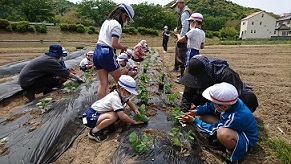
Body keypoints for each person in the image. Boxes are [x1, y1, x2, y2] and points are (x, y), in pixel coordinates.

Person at [179, 82, 258, 164]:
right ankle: (221, 140)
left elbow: (213, 129)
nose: (213, 104)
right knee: (204, 117)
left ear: (224, 106)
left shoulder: (236, 116)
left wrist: (194, 121)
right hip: (233, 127)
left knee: (222, 133)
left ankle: (231, 156)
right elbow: (210, 107)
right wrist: (197, 111)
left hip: (246, 138)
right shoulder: (230, 103)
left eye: (215, 103)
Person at [179, 55, 259, 113]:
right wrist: (183, 111)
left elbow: (234, 100)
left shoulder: (227, 75)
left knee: (249, 99)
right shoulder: (195, 74)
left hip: (229, 100)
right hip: (214, 100)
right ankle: (212, 112)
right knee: (195, 98)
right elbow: (187, 95)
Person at [82, 75, 144, 142]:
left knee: (117, 113)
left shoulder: (120, 94)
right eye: (129, 92)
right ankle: (93, 132)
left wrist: (135, 110)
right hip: (88, 117)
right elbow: (122, 116)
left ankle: (106, 125)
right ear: (122, 89)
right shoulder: (115, 98)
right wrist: (133, 122)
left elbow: (129, 103)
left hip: (95, 114)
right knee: (114, 116)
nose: (130, 94)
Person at [93, 3, 134, 99]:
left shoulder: (106, 22)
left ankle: (101, 105)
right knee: (120, 81)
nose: (126, 22)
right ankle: (120, 103)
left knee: (103, 83)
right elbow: (114, 44)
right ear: (124, 15)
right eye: (127, 19)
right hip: (106, 53)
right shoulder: (117, 25)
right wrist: (123, 47)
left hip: (97, 51)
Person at [18, 44, 84, 101]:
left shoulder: (47, 57)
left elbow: (60, 71)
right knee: (57, 80)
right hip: (28, 83)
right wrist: (77, 78)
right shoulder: (50, 61)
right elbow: (65, 73)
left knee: (56, 77)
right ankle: (31, 92)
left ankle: (47, 90)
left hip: (29, 79)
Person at [170, 0, 192, 82]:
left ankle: (183, 77)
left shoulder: (185, 13)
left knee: (182, 56)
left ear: (180, 3)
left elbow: (185, 26)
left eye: (176, 6)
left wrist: (181, 38)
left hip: (183, 39)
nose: (176, 8)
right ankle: (182, 74)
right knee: (180, 55)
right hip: (184, 38)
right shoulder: (184, 12)